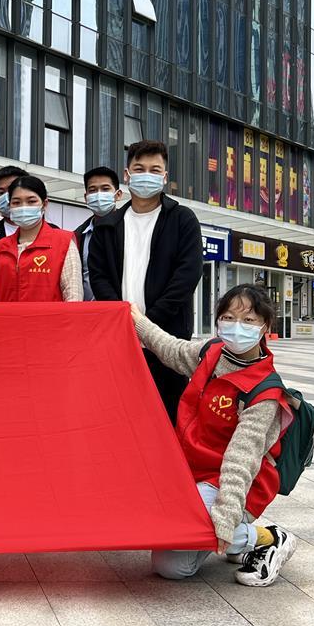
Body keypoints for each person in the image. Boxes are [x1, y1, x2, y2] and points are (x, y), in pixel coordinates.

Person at [131, 284, 296, 586]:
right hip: (191, 469)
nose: (237, 326)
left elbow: (240, 461)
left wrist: (226, 516)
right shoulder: (212, 353)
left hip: (234, 481)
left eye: (248, 320)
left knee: (172, 566)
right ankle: (235, 540)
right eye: (229, 317)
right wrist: (136, 320)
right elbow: (171, 348)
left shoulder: (264, 393)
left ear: (265, 326)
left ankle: (267, 538)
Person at [88, 140, 203, 424]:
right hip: (120, 338)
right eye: (139, 169)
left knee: (167, 418)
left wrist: (148, 324)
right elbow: (99, 276)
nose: (146, 175)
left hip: (166, 339)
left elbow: (187, 275)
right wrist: (122, 319)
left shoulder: (182, 219)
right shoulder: (107, 225)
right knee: (120, 415)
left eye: (155, 170)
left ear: (164, 177)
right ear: (127, 175)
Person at [0, 176, 83, 302]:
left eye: (31, 201)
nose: (23, 207)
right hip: (6, 315)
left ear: (44, 204)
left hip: (51, 315)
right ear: (9, 206)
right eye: (16, 202)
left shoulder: (64, 243)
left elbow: (73, 296)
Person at [74, 167, 122, 301]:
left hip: (121, 309)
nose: (99, 194)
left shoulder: (130, 229)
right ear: (86, 197)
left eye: (105, 189)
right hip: (86, 310)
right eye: (93, 190)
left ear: (118, 195)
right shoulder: (78, 235)